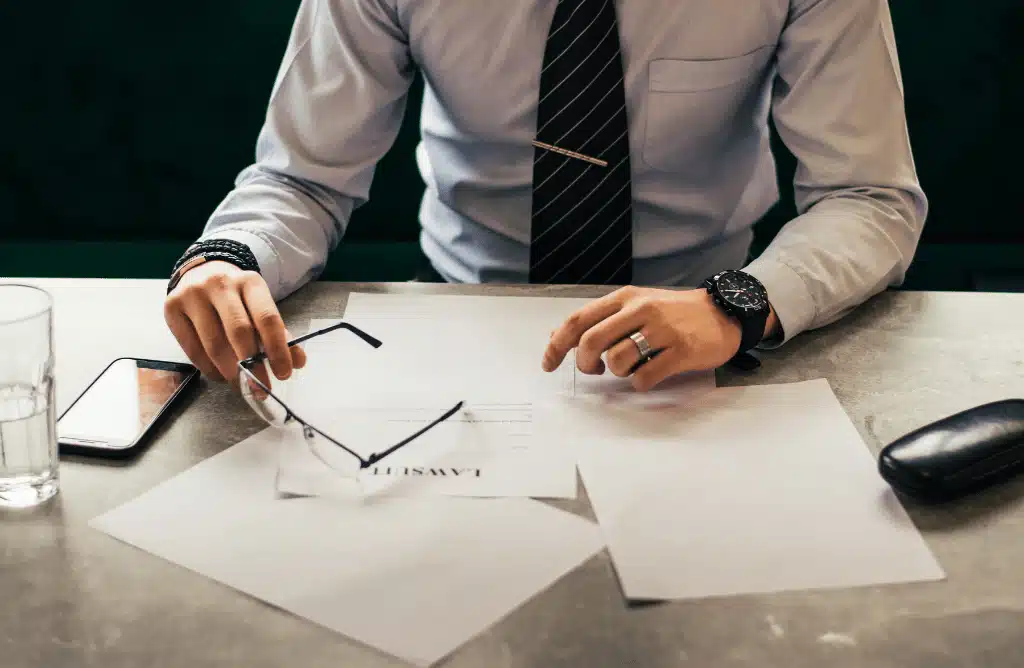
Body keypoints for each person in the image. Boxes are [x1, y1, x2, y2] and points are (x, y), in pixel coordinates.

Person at [164, 0, 926, 392]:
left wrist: (734, 305)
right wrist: (229, 255)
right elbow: (303, 176)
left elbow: (868, 194)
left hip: (706, 330)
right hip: (459, 320)